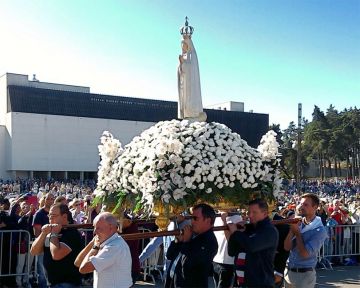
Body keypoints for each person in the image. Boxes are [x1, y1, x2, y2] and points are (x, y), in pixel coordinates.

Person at [227, 198, 279, 288]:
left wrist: (236, 233)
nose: (250, 215)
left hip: (261, 284)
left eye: (254, 212)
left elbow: (251, 246)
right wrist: (236, 234)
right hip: (243, 283)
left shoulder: (269, 230)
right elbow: (231, 251)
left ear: (265, 213)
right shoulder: (248, 230)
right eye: (248, 212)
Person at [165, 203, 218, 288]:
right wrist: (178, 240)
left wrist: (186, 241)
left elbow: (186, 267)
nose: (192, 221)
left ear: (208, 221)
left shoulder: (209, 241)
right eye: (191, 218)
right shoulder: (192, 236)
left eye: (195, 218)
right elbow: (169, 255)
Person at [30, 203, 83, 287]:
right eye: (49, 215)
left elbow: (57, 255)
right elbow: (34, 251)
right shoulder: (50, 232)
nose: (50, 218)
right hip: (52, 283)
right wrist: (44, 233)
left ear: (64, 216)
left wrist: (54, 234)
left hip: (67, 283)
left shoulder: (72, 233)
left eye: (54, 215)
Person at [75, 212, 132, 288]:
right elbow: (78, 263)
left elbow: (83, 268)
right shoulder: (109, 242)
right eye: (94, 227)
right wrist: (93, 243)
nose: (94, 231)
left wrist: (95, 247)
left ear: (111, 227)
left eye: (98, 228)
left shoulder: (114, 246)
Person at [284, 193, 327, 288]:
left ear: (315, 207)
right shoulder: (299, 223)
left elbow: (305, 254)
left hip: (304, 275)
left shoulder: (319, 230)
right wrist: (292, 230)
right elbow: (287, 247)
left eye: (306, 205)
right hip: (289, 272)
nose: (301, 207)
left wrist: (297, 233)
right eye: (301, 203)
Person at [177, 18, 206, 121]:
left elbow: (191, 70)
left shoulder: (192, 54)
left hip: (191, 86)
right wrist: (181, 65)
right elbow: (182, 72)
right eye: (182, 45)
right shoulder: (184, 55)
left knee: (191, 101)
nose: (183, 47)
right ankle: (185, 113)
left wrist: (183, 64)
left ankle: (193, 113)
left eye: (184, 44)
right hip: (185, 85)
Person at [212, 211, 242, 288]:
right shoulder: (217, 217)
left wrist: (224, 220)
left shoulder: (237, 217)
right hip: (217, 260)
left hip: (228, 261)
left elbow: (232, 239)